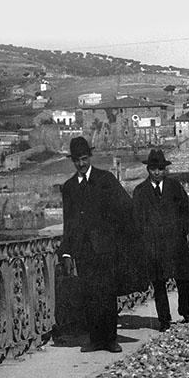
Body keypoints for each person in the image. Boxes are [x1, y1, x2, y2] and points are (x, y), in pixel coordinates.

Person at [59, 137, 134, 353]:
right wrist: (66, 252)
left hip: (106, 248)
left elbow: (126, 208)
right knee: (89, 295)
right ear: (72, 161)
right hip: (83, 251)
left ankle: (110, 339)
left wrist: (116, 236)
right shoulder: (70, 187)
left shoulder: (106, 179)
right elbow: (69, 222)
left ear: (90, 157)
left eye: (84, 159)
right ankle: (95, 339)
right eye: (77, 161)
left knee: (107, 294)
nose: (81, 164)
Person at [132, 149, 189, 332]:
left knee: (184, 278)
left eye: (161, 168)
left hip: (176, 243)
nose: (157, 172)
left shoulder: (174, 187)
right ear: (148, 169)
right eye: (154, 168)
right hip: (154, 246)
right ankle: (164, 320)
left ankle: (185, 310)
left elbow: (188, 211)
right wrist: (145, 239)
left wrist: (182, 230)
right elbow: (136, 219)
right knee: (159, 283)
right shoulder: (140, 191)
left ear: (165, 169)